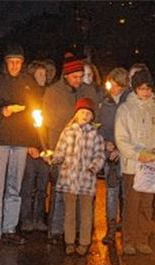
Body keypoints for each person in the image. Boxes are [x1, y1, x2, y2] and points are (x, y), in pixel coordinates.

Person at [0, 44, 39, 250]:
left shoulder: (28, 82)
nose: (15, 65)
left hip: (20, 140)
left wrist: (34, 142)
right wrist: (1, 111)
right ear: (5, 62)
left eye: (18, 62)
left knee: (15, 187)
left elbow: (35, 113)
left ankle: (9, 228)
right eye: (11, 61)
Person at [43, 52, 100, 243]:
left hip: (84, 153)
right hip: (63, 149)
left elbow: (95, 115)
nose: (78, 80)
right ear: (66, 76)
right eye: (75, 77)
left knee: (83, 195)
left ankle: (81, 232)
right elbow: (48, 121)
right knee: (61, 193)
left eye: (80, 76)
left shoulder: (88, 91)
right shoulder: (53, 92)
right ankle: (57, 231)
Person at [114, 68, 155, 256]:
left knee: (146, 204)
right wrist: (137, 155)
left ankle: (142, 239)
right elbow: (121, 138)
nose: (145, 92)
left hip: (151, 165)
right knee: (132, 204)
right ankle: (128, 240)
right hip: (133, 166)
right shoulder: (125, 109)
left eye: (148, 88)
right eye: (141, 88)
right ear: (134, 88)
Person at [50, 97, 104, 256]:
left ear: (92, 117)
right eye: (82, 112)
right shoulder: (67, 132)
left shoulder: (95, 135)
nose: (85, 116)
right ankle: (69, 241)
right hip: (69, 178)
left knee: (86, 213)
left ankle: (84, 242)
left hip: (86, 180)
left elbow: (100, 155)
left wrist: (93, 169)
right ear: (76, 114)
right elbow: (60, 152)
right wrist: (53, 158)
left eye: (88, 113)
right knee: (70, 212)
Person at [18, 59, 56, 233]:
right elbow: (23, 124)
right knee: (28, 186)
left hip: (46, 149)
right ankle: (25, 219)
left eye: (45, 73)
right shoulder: (26, 96)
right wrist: (29, 145)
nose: (44, 76)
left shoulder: (50, 94)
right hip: (30, 149)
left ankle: (39, 218)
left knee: (42, 187)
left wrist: (48, 147)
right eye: (40, 74)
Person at [97, 67, 129, 244]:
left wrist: (121, 148)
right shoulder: (105, 102)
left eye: (116, 85)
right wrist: (105, 143)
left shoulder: (130, 102)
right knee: (111, 191)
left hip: (126, 154)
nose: (112, 88)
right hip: (110, 154)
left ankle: (125, 225)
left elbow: (132, 130)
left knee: (126, 192)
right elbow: (100, 126)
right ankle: (110, 227)